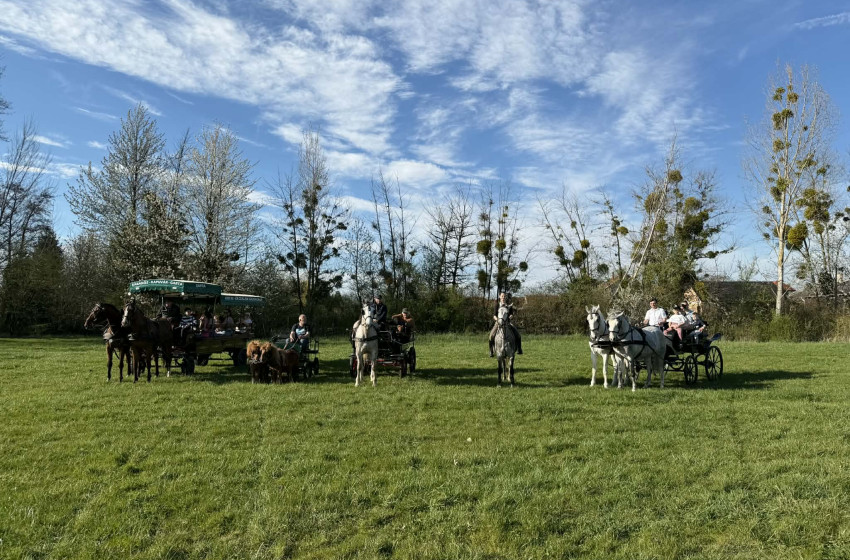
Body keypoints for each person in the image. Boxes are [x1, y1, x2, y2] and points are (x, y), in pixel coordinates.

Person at [489, 291, 523, 357]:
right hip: (498, 323)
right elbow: (494, 315)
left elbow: (511, 314)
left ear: (506, 297)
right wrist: (498, 320)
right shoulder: (497, 305)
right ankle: (491, 351)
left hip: (508, 323)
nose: (503, 297)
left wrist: (511, 316)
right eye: (502, 296)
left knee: (518, 335)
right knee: (491, 336)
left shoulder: (509, 305)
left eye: (504, 296)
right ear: (500, 297)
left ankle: (519, 349)